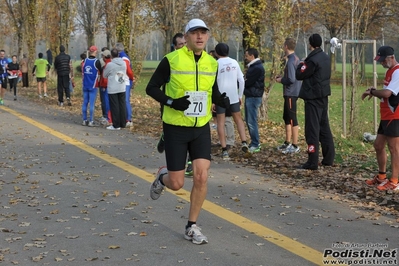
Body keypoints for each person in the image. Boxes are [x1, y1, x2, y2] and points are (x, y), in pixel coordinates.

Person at [146, 18, 229, 245]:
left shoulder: (212, 63)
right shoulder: (171, 60)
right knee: (177, 183)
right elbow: (151, 88)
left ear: (208, 36)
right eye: (195, 33)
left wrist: (218, 98)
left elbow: (211, 88)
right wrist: (172, 101)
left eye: (203, 33)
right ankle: (163, 179)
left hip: (201, 127)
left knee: (201, 175)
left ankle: (191, 226)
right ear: (186, 37)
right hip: (175, 128)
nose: (200, 37)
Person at [295, 33, 335, 170]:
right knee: (324, 128)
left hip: (312, 97)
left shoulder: (312, 60)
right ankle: (329, 158)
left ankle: (312, 161)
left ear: (310, 44)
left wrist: (301, 64)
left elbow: (300, 74)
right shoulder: (325, 57)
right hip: (323, 96)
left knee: (312, 130)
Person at [362, 46, 399, 191]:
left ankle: (394, 181)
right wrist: (375, 91)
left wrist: (373, 91)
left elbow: (387, 94)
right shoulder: (390, 71)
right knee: (378, 145)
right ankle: (381, 177)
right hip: (386, 116)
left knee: (394, 149)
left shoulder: (397, 72)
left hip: (394, 116)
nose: (381, 63)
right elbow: (384, 92)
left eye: (383, 60)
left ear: (391, 57)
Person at [214, 43, 248, 160]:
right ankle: (244, 142)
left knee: (220, 123)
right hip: (233, 96)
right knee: (238, 120)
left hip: (220, 98)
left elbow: (213, 83)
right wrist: (240, 95)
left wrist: (213, 100)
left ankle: (224, 151)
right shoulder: (234, 62)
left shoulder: (216, 64)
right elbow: (241, 81)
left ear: (217, 52)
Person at [275, 37, 302, 154]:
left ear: (286, 46)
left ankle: (295, 144)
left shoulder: (291, 61)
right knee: (286, 117)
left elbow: (291, 79)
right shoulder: (295, 58)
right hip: (290, 93)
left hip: (291, 93)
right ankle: (287, 142)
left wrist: (281, 80)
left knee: (292, 119)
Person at [244, 48, 265, 153]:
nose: (245, 58)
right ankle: (253, 142)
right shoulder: (253, 67)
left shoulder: (256, 68)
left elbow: (248, 82)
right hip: (251, 95)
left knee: (252, 121)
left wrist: (244, 81)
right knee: (249, 120)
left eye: (247, 55)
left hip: (253, 96)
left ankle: (256, 143)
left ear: (252, 56)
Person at [103, 48, 128, 130]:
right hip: (121, 86)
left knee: (115, 106)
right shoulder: (123, 63)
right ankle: (123, 123)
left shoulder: (110, 65)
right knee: (122, 105)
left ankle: (116, 125)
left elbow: (104, 75)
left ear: (111, 56)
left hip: (113, 87)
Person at [115, 43, 134, 127]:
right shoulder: (121, 57)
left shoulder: (124, 58)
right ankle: (124, 118)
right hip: (122, 80)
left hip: (126, 81)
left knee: (125, 100)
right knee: (123, 100)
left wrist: (131, 78)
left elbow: (128, 71)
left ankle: (128, 119)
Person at [81, 46, 101, 127]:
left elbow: (82, 71)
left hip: (85, 85)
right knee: (92, 104)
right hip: (93, 85)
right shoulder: (97, 62)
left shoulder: (85, 60)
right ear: (95, 51)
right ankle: (91, 121)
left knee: (85, 102)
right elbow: (101, 71)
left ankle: (84, 120)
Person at [99, 48, 112, 125]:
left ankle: (107, 117)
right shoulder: (112, 63)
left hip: (105, 86)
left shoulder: (106, 65)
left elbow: (104, 77)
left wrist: (103, 85)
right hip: (113, 85)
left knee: (106, 101)